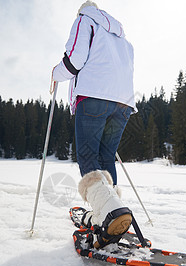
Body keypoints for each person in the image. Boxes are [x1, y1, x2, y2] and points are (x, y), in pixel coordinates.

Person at [52, 1, 137, 248]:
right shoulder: (123, 40)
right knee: (106, 156)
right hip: (123, 103)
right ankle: (106, 214)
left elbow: (75, 59)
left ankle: (111, 212)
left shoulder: (85, 20)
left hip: (94, 98)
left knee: (88, 157)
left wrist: (56, 73)